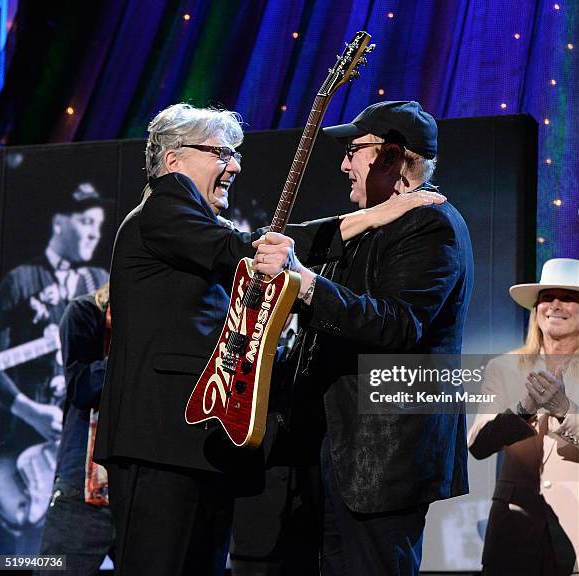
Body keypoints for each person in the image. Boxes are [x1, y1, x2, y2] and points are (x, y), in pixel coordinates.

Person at [93, 102, 445, 576]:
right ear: (174, 159)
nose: (234, 165)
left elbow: (263, 251)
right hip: (158, 443)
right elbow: (254, 251)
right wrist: (376, 216)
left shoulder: (195, 220)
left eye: (234, 154)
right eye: (219, 153)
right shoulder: (163, 207)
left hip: (200, 440)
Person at [253, 100, 474, 575]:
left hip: (384, 459)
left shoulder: (430, 224)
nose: (344, 163)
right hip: (341, 451)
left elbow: (397, 324)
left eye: (355, 150)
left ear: (392, 157)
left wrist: (306, 283)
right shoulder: (374, 223)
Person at [468, 258, 579, 576]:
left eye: (568, 297)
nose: (555, 305)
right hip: (516, 524)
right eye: (547, 297)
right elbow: (478, 444)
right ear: (536, 310)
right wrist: (522, 410)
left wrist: (564, 410)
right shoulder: (502, 367)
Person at [0, 183, 108, 553]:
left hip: (79, 443)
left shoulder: (101, 282)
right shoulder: (20, 280)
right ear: (59, 222)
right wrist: (28, 411)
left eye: (99, 224)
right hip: (24, 441)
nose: (95, 231)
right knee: (34, 547)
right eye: (86, 221)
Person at [35, 282, 115, 575]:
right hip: (80, 488)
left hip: (141, 492)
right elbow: (82, 389)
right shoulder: (85, 311)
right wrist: (136, 346)